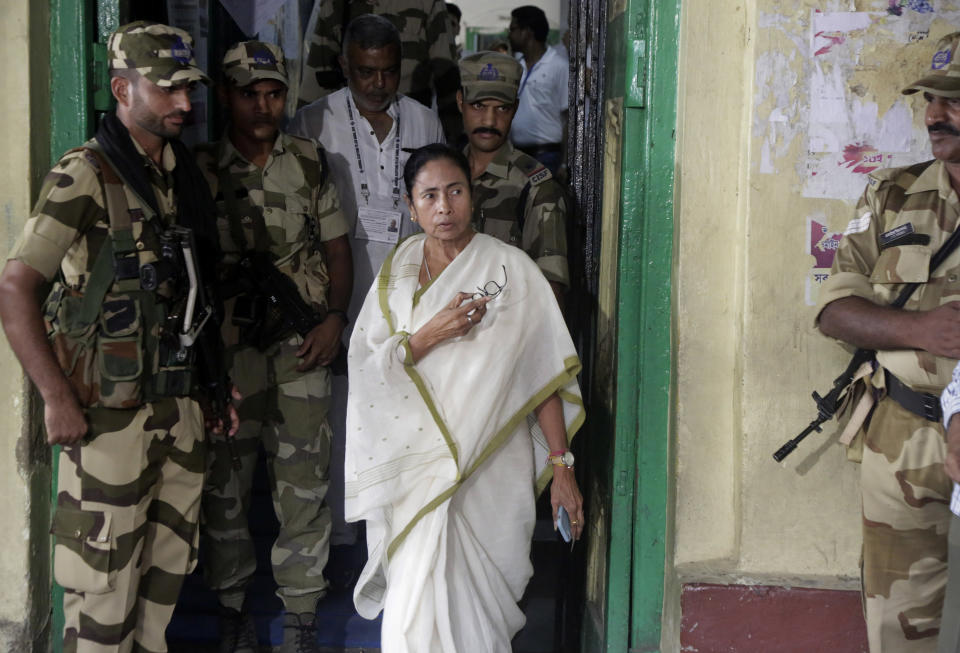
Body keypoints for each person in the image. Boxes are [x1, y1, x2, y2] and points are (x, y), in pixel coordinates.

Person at [0, 21, 238, 652]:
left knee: (161, 590)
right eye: (167, 90)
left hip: (178, 412)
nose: (185, 104)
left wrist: (214, 388)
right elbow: (15, 290)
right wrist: (55, 397)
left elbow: (195, 292)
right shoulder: (84, 175)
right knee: (103, 600)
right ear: (121, 90)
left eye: (188, 89)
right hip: (107, 425)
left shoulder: (181, 176)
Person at [344, 143, 585, 652]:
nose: (444, 207)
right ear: (411, 207)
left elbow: (542, 376)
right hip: (417, 472)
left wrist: (562, 467)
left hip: (491, 471)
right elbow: (365, 365)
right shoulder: (398, 272)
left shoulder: (511, 271)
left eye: (454, 192)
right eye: (429, 195)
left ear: (471, 197)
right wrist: (427, 336)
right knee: (412, 611)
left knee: (485, 612)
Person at [194, 41, 352, 653]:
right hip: (230, 351)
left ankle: (301, 620)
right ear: (227, 96)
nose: (264, 105)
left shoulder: (309, 160)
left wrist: (334, 318)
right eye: (249, 93)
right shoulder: (200, 168)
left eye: (274, 92)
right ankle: (233, 612)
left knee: (304, 487)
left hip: (300, 345)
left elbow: (337, 248)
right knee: (225, 487)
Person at [816, 32, 960, 652]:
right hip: (900, 433)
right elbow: (832, 310)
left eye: (953, 101)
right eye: (931, 99)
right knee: (899, 623)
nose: (934, 115)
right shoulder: (891, 194)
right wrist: (918, 330)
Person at [290, 14, 444, 557]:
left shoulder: (424, 122)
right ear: (344, 67)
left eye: (388, 72)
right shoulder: (312, 122)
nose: (378, 85)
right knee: (340, 417)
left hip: (407, 302)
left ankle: (394, 539)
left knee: (402, 415)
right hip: (338, 297)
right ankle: (340, 536)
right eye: (364, 72)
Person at [457, 51, 570, 305]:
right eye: (478, 106)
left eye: (502, 108)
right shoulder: (444, 176)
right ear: (459, 102)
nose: (489, 120)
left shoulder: (536, 187)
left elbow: (551, 290)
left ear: (516, 108)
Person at [297, 0, 461, 142]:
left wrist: (453, 142)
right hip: (345, 137)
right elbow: (318, 78)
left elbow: (447, 77)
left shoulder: (427, 3)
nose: (379, 82)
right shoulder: (338, 4)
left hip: (410, 134)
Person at [507, 6, 569, 178]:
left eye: (513, 29)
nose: (508, 35)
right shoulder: (515, 67)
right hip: (518, 155)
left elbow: (569, 119)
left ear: (527, 32)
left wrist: (564, 163)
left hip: (547, 156)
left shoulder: (559, 66)